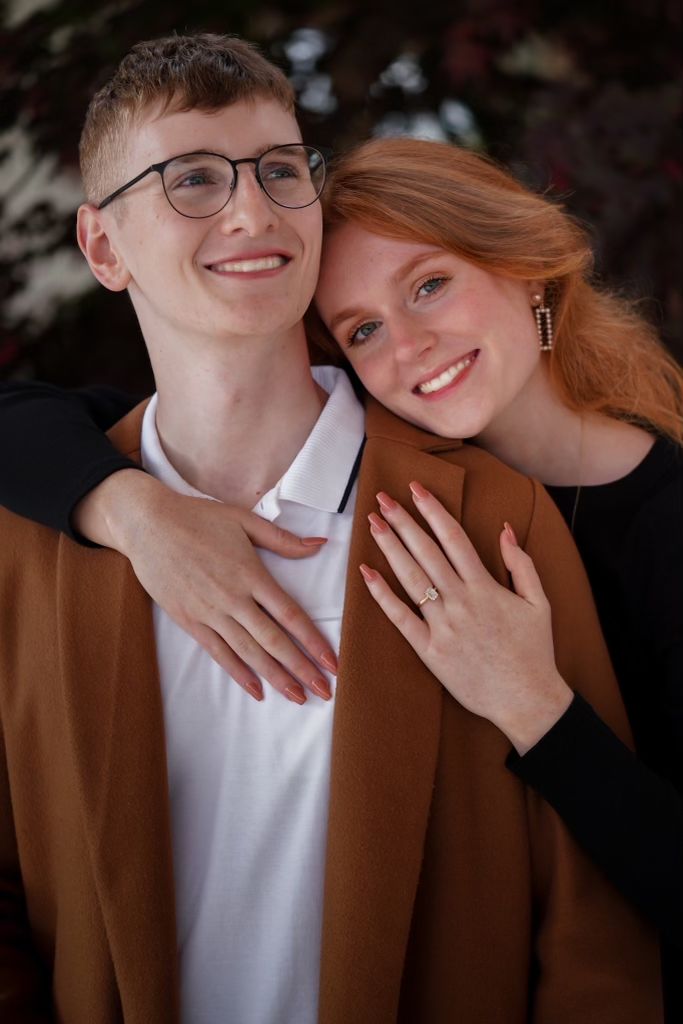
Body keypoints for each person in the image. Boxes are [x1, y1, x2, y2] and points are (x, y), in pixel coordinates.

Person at [0, 33, 663, 1024]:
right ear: (103, 248)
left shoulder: (495, 515)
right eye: (192, 179)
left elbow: (594, 936)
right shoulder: (35, 537)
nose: (252, 210)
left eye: (278, 170)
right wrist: (126, 506)